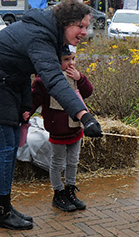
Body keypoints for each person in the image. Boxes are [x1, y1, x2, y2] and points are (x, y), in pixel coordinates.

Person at [0, 0, 103, 231]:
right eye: (81, 26)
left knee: (11, 144)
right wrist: (83, 115)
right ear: (66, 22)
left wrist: (25, 105)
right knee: (5, 147)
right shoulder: (40, 35)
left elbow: (22, 69)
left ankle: (5, 206)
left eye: (87, 26)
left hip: (3, 83)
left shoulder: (47, 33)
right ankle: (1, 212)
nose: (85, 31)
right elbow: (53, 79)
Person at [31, 45, 94, 212]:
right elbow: (34, 99)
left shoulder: (74, 77)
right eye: (66, 60)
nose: (71, 63)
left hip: (75, 127)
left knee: (73, 161)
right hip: (58, 128)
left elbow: (88, 91)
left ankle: (70, 190)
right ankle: (58, 192)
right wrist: (25, 113)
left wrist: (80, 78)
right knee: (57, 162)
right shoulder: (44, 80)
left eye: (73, 59)